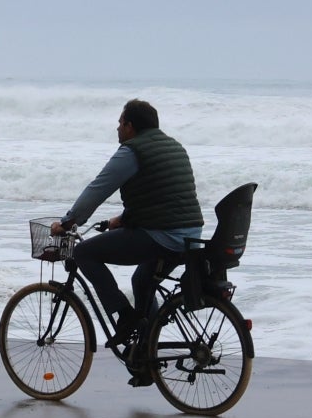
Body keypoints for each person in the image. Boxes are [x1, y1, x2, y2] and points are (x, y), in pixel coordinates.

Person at [51, 99, 203, 358]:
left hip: (162, 236)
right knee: (142, 280)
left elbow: (97, 189)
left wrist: (68, 222)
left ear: (131, 126)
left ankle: (124, 317)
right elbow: (163, 195)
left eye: (120, 123)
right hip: (189, 235)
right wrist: (121, 219)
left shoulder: (132, 151)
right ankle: (147, 352)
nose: (117, 128)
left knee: (84, 253)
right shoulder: (173, 146)